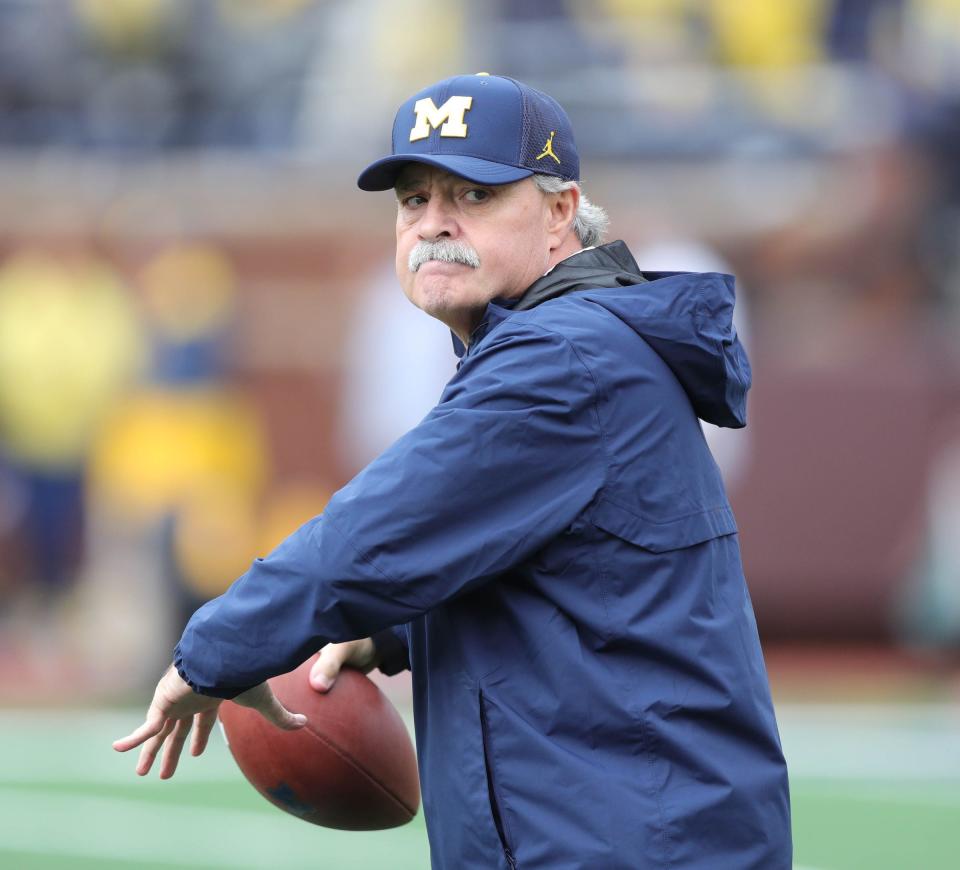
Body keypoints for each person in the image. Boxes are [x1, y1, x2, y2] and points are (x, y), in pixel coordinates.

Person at [114, 73, 792, 869]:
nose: (434, 225)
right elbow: (556, 570)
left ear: (560, 212)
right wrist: (392, 631)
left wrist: (213, 650)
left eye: (473, 195)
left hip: (635, 840)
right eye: (413, 201)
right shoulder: (561, 343)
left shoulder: (563, 357)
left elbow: (370, 536)